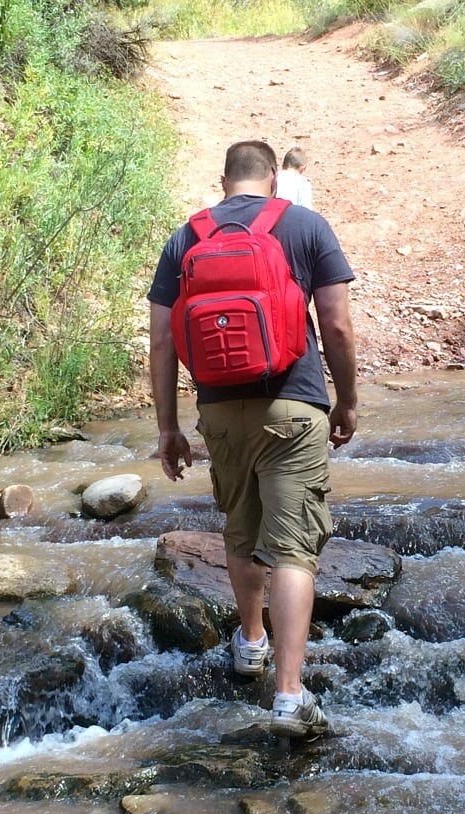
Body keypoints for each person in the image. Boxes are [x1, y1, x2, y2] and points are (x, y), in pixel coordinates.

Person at [148, 140, 357, 739]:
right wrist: (346, 400)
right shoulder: (306, 225)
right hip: (293, 402)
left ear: (224, 180)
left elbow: (163, 341)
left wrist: (168, 427)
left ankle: (251, 642)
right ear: (272, 178)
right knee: (292, 548)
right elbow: (337, 326)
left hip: (219, 409)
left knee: (241, 529)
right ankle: (289, 696)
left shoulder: (186, 237)